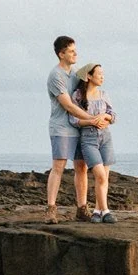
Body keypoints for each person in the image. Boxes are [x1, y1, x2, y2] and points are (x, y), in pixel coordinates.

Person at [45, 36, 98, 219]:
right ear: (61, 54)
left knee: (81, 167)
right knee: (58, 166)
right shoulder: (55, 76)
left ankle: (82, 208)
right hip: (61, 128)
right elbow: (67, 105)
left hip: (78, 127)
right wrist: (92, 119)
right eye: (71, 51)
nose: (76, 54)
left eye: (76, 50)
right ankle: (51, 209)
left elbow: (90, 87)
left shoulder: (75, 74)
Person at [75, 62, 117, 222]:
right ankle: (106, 211)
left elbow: (113, 115)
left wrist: (105, 117)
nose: (102, 76)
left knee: (105, 177)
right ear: (89, 76)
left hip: (105, 137)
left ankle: (97, 211)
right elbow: (74, 119)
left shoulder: (104, 94)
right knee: (99, 175)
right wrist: (93, 121)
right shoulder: (78, 95)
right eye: (99, 73)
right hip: (88, 138)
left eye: (102, 73)